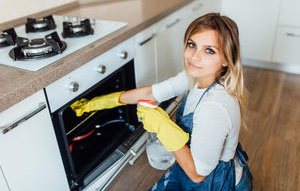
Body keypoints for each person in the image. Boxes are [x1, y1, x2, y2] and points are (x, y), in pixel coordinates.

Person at [71, 13, 253, 190]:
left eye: (209, 50)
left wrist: (163, 126)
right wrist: (102, 102)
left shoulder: (214, 107)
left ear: (227, 60)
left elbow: (198, 174)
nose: (194, 56)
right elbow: (151, 93)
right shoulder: (197, 76)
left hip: (217, 182)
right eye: (192, 45)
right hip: (198, 167)